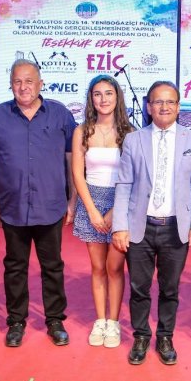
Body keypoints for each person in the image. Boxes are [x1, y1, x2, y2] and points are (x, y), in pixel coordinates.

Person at [0, 59, 77, 348]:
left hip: (50, 205)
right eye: (17, 81)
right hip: (12, 207)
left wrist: (72, 200)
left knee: (53, 266)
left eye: (29, 81)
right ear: (11, 85)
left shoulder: (60, 115)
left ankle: (55, 320)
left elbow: (72, 158)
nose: (23, 87)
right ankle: (16, 321)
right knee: (15, 267)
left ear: (40, 84)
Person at [112, 81, 191, 366]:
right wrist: (120, 226)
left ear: (178, 107)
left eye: (170, 102)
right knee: (139, 287)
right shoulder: (134, 140)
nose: (164, 107)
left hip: (176, 227)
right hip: (139, 226)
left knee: (170, 288)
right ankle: (141, 335)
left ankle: (165, 336)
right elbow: (124, 184)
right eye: (158, 102)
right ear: (149, 106)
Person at [71, 75, 134, 348]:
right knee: (97, 268)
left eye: (108, 93)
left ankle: (114, 322)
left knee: (115, 267)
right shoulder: (82, 131)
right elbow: (77, 173)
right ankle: (100, 321)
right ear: (91, 99)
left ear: (117, 97)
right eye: (97, 94)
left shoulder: (130, 133)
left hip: (122, 202)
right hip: (91, 201)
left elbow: (134, 177)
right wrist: (92, 211)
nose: (103, 99)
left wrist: (114, 211)